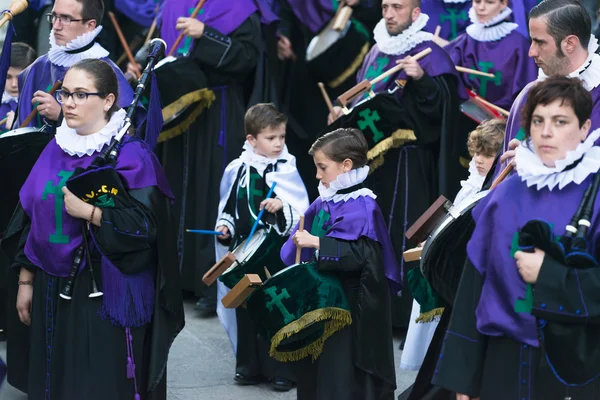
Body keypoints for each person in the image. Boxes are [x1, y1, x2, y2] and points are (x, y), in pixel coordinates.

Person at [2, 59, 184, 399]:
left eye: (81, 94)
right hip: (51, 287)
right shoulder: (55, 147)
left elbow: (148, 229)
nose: (68, 102)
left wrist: (91, 213)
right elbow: (30, 218)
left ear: (108, 100)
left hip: (102, 290)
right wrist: (25, 280)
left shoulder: (132, 156)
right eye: (65, 93)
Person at [434, 75, 600, 399]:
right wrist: (464, 378)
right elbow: (474, 283)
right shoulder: (505, 193)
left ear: (584, 129)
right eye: (538, 120)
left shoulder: (595, 194)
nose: (546, 132)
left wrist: (550, 276)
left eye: (560, 121)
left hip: (574, 364)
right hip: (504, 360)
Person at [154, 0, 265, 314]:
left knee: (211, 194)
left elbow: (247, 58)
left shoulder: (239, 7)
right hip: (181, 114)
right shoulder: (174, 4)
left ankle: (209, 282)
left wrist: (206, 34)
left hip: (219, 110)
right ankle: (172, 279)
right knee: (176, 190)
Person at [280, 128, 400, 400]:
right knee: (317, 372)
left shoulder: (363, 205)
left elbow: (363, 257)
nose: (318, 176)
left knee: (339, 377)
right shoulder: (328, 197)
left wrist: (318, 243)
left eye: (322, 168)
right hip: (322, 301)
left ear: (346, 165)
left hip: (349, 310)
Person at [214, 103, 309, 391]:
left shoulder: (288, 168)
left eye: (281, 136)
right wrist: (225, 228)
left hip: (277, 256)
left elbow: (303, 209)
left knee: (279, 308)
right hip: (246, 253)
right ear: (251, 139)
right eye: (271, 138)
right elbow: (228, 208)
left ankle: (283, 370)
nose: (279, 143)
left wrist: (282, 207)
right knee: (246, 309)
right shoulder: (237, 169)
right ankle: (249, 367)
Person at [400, 118, 504, 373]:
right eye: (477, 152)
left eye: (488, 154)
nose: (479, 159)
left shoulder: (494, 192)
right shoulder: (470, 184)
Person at [500, 0, 600, 167]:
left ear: (569, 43)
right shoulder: (529, 93)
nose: (531, 52)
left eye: (540, 42)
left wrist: (539, 163)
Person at [17, 0, 141, 129]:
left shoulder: (107, 72)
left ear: (90, 25)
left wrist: (61, 115)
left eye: (66, 18)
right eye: (54, 16)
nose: (56, 26)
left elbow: (123, 130)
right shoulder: (39, 66)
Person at [443, 0, 537, 111]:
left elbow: (527, 90)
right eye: (477, 1)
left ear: (503, 4)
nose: (481, 8)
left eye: (489, 2)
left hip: (504, 120)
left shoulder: (519, 45)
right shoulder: (463, 42)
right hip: (467, 119)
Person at [0, 43, 36, 133]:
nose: (14, 84)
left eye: (20, 78)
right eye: (7, 77)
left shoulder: (39, 104)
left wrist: (17, 128)